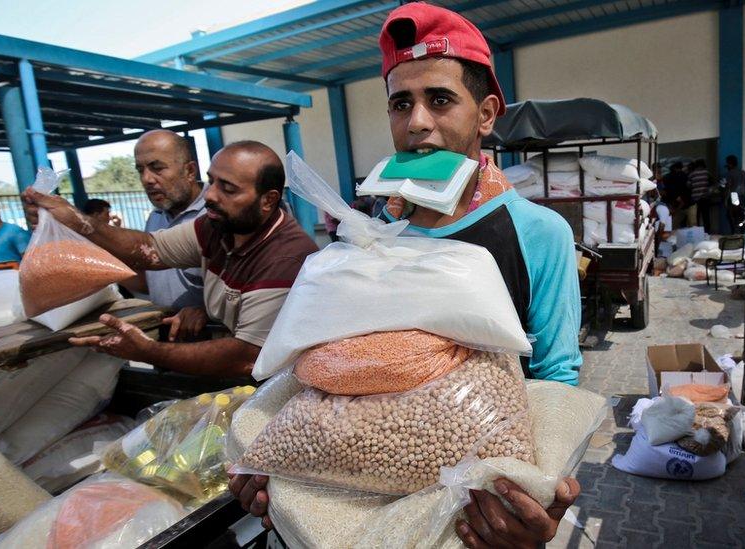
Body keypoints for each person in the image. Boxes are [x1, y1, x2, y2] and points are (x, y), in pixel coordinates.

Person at [230, 5, 581, 546]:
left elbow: (555, 379)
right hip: (345, 500)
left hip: (467, 517)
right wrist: (262, 449)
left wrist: (537, 499)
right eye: (401, 103)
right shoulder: (369, 234)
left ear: (486, 115)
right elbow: (320, 362)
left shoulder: (538, 233)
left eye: (440, 99)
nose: (417, 122)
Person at [22, 141, 318, 376]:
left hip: (278, 387)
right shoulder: (215, 227)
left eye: (227, 188)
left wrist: (148, 351)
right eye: (211, 182)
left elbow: (244, 357)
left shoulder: (285, 258)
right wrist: (76, 221)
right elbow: (149, 249)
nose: (211, 196)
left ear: (267, 200)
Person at [133, 129, 210, 312]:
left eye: (157, 168)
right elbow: (150, 282)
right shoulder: (156, 217)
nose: (147, 179)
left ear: (190, 171)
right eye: (140, 170)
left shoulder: (216, 213)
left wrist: (204, 312)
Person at [722, 155, 745, 233]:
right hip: (743, 195)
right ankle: (742, 232)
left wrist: (726, 199)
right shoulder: (743, 173)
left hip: (734, 196)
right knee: (741, 215)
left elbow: (727, 187)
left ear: (730, 164)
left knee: (732, 215)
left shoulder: (729, 174)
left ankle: (734, 232)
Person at [662, 162, 689, 229]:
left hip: (673, 199)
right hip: (681, 200)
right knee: (680, 218)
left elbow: (668, 189)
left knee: (672, 218)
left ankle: (670, 230)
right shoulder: (683, 175)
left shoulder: (667, 176)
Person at [686, 159, 712, 229]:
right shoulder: (707, 173)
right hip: (705, 197)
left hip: (695, 198)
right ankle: (707, 231)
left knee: (696, 216)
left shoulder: (692, 174)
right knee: (706, 215)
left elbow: (688, 186)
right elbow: (711, 182)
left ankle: (696, 230)